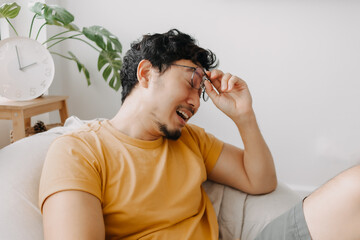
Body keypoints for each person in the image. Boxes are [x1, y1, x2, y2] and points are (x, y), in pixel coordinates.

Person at [39, 29, 360, 240]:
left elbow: (260, 181)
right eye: (191, 81)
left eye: (201, 91)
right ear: (147, 73)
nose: (195, 101)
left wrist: (243, 115)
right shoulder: (79, 151)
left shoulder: (192, 140)